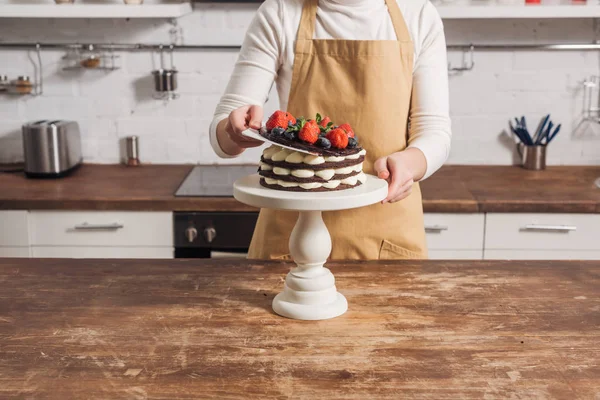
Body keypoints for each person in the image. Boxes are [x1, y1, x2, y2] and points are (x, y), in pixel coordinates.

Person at [210, 0, 452, 260]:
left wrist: (410, 163)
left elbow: (434, 130)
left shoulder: (418, 15)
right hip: (291, 240)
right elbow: (223, 135)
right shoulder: (280, 11)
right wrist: (235, 130)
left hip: (385, 235)